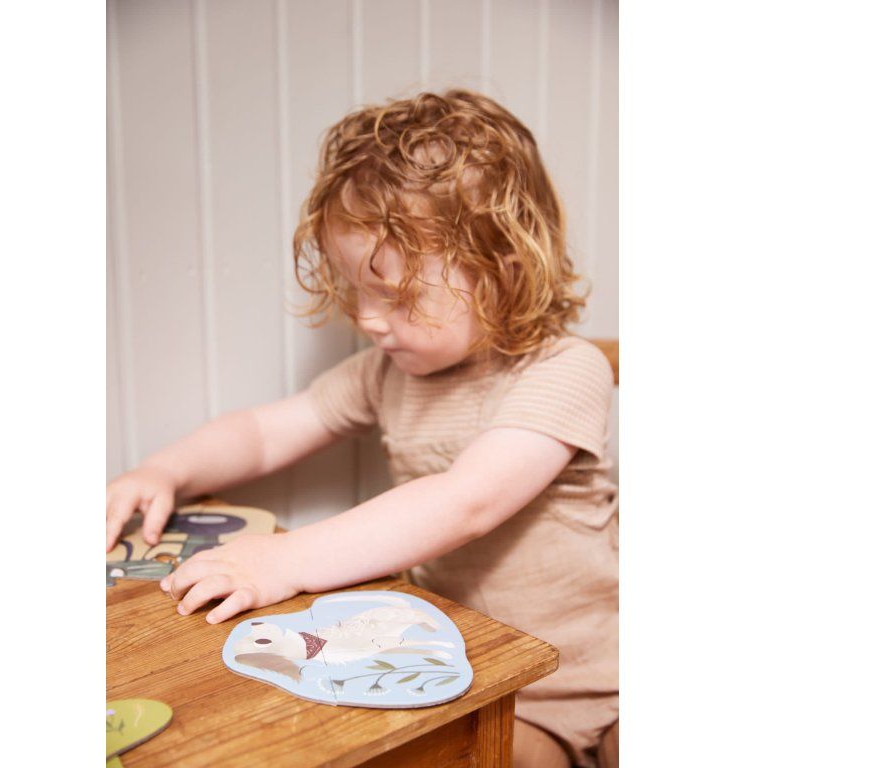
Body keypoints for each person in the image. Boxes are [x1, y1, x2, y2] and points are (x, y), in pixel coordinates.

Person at [105, 89, 618, 768]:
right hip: (492, 678)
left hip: (606, 676)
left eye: (397, 296)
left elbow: (466, 502)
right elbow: (265, 432)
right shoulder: (387, 372)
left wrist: (284, 560)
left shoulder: (566, 368)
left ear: (504, 273)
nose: (369, 319)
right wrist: (165, 470)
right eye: (357, 291)